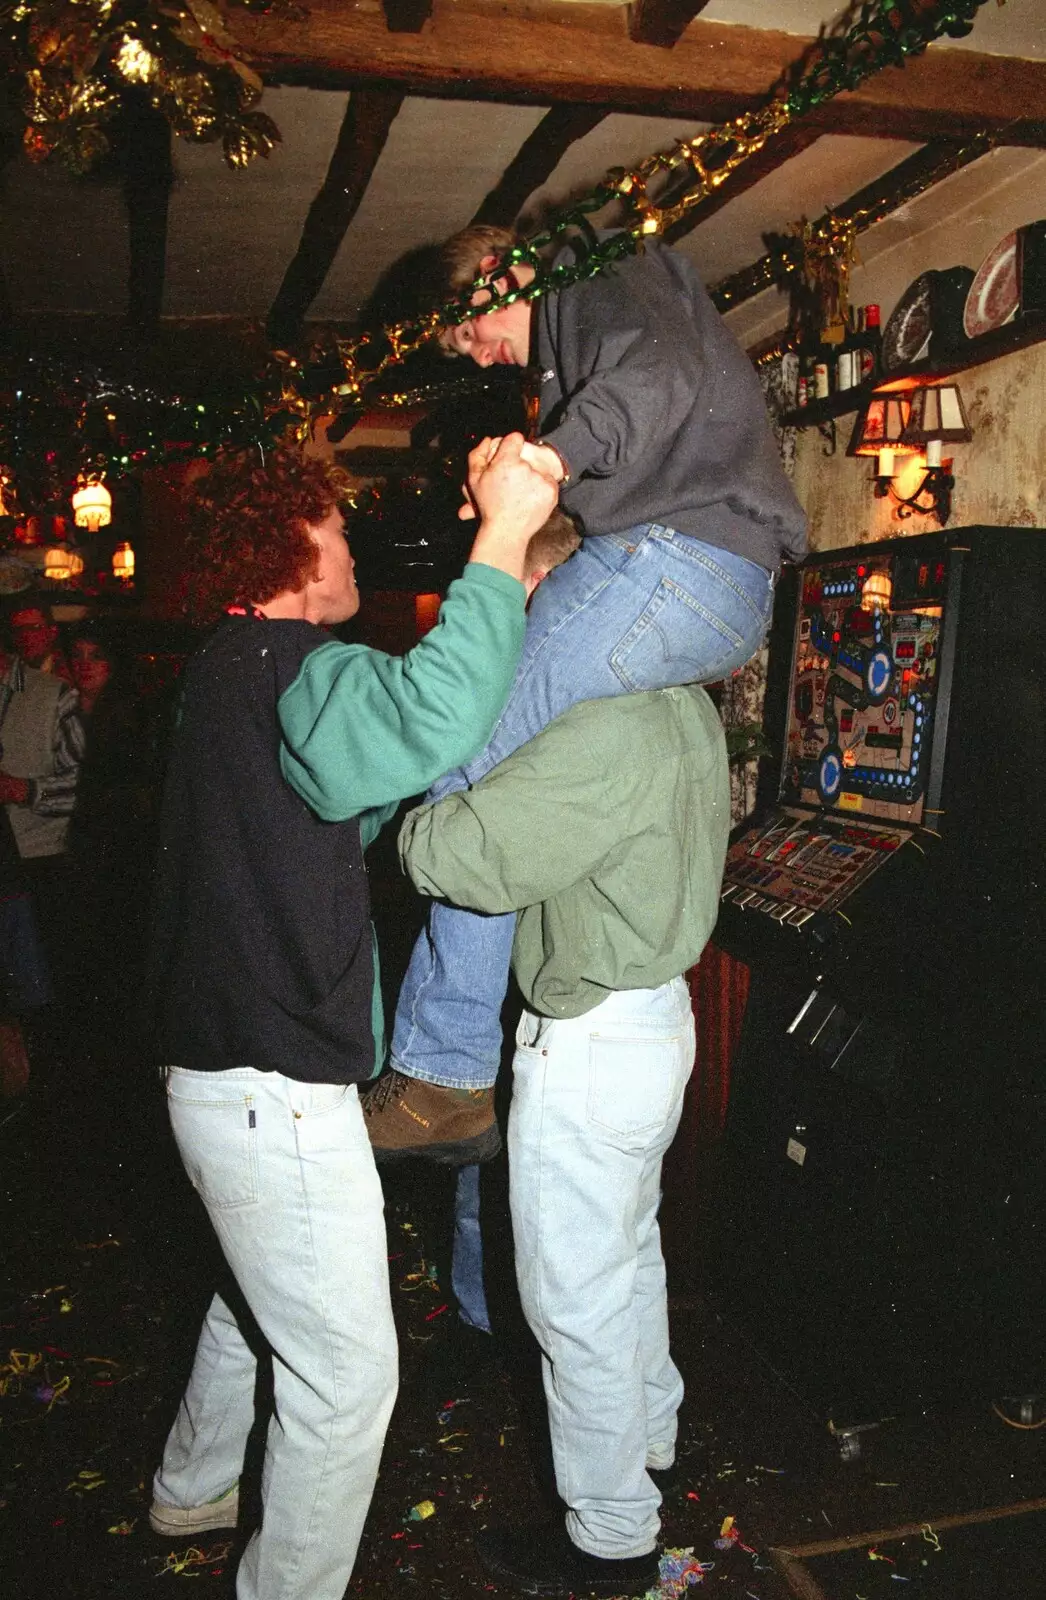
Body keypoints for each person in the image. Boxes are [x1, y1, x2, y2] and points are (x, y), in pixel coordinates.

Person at [147, 436, 558, 1600]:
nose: (349, 546)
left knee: (254, 1292)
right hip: (271, 1085)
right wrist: (498, 546)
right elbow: (421, 720)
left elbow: (326, 801)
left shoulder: (227, 667)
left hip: (212, 1078)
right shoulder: (291, 656)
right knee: (344, 1373)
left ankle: (191, 1486)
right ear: (289, 544)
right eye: (333, 526)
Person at [369, 222, 806, 1163]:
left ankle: (442, 1070)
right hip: (708, 577)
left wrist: (551, 463)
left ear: (491, 272)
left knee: (466, 733)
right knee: (507, 744)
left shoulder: (590, 268)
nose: (483, 356)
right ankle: (449, 1067)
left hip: (678, 565)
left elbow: (664, 376)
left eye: (470, 334)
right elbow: (654, 420)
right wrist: (531, 493)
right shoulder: (592, 314)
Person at [398, 679, 731, 1598]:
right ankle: (651, 1434)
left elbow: (462, 857)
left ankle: (613, 1537)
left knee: (571, 1298)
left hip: (591, 1038)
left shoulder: (603, 722)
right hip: (659, 1017)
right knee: (628, 1255)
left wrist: (425, 797)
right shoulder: (684, 701)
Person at [9, 599, 75, 685]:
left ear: (52, 631)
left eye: (33, 628)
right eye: (19, 630)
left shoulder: (72, 669)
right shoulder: (10, 670)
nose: (25, 635)